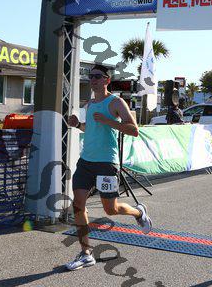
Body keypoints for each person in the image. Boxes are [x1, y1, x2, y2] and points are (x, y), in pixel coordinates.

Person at [65, 64, 152, 271]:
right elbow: (91, 128)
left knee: (110, 209)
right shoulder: (89, 104)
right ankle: (86, 253)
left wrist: (108, 120)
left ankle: (138, 213)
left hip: (106, 163)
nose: (93, 80)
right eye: (90, 76)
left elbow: (134, 130)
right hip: (86, 162)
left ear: (107, 80)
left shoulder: (116, 102)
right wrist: (78, 125)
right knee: (78, 205)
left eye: (97, 76)